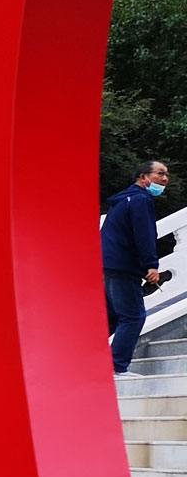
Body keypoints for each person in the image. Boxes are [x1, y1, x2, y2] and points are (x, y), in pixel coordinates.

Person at [105, 160, 170, 377]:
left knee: (112, 318)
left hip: (109, 266)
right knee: (133, 317)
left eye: (166, 175)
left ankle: (82, 359)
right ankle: (117, 367)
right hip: (124, 266)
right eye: (160, 173)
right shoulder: (141, 200)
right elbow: (144, 235)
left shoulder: (122, 200)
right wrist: (151, 265)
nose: (164, 179)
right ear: (143, 177)